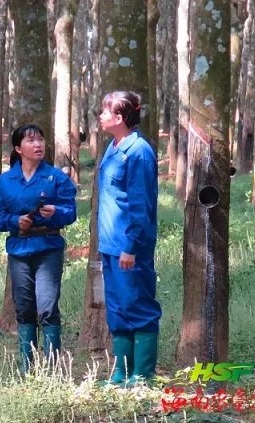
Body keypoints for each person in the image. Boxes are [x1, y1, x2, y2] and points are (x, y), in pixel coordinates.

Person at [0, 124, 77, 373]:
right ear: (18, 148)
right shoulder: (6, 182)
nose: (38, 145)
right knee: (24, 307)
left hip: (48, 247)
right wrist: (15, 221)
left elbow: (71, 212)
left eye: (40, 139)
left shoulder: (56, 177)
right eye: (30, 141)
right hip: (19, 249)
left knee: (47, 306)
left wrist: (55, 212)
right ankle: (27, 367)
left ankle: (52, 368)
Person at [97, 90, 162, 385]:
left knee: (138, 305)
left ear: (120, 117)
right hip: (110, 245)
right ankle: (121, 374)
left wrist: (132, 246)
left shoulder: (139, 151)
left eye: (105, 111)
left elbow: (140, 204)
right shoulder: (112, 147)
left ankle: (142, 376)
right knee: (118, 309)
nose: (101, 116)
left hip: (129, 246)